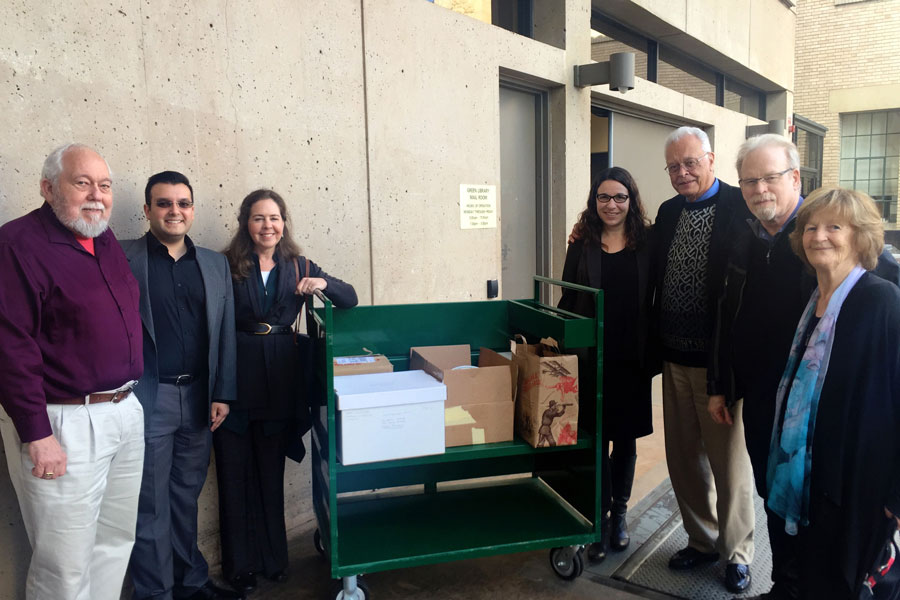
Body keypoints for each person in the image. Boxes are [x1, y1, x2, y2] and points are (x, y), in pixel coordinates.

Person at [706, 135, 900, 600]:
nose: (759, 189)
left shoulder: (876, 292)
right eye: (749, 180)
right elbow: (723, 315)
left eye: (770, 177)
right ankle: (786, 584)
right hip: (768, 406)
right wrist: (721, 383)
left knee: (828, 525)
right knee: (777, 499)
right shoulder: (744, 238)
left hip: (832, 428)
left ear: (794, 177)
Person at [0, 143, 144, 599]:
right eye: (82, 183)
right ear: (48, 187)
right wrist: (37, 433)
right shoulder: (17, 245)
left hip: (122, 409)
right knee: (63, 564)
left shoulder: (102, 238)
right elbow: (9, 345)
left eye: (104, 185)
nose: (96, 195)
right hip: (63, 422)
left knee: (114, 543)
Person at [214, 189, 358, 594]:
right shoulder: (224, 265)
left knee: (270, 475)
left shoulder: (299, 265)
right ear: (246, 223)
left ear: (284, 223)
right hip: (235, 380)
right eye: (259, 218)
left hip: (280, 381)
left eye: (274, 218)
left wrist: (322, 282)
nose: (267, 226)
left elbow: (349, 299)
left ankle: (273, 560)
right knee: (233, 476)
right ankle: (238, 568)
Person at [763, 187, 900, 599]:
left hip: (854, 485)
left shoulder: (881, 302)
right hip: (808, 481)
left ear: (860, 237)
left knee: (839, 582)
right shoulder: (815, 299)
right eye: (810, 227)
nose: (818, 236)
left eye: (834, 227)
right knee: (808, 574)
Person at [121, 171, 242, 600]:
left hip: (200, 400)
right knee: (149, 504)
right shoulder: (123, 257)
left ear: (192, 209)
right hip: (148, 398)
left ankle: (190, 584)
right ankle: (155, 593)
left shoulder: (213, 263)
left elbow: (225, 331)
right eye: (165, 203)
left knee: (186, 498)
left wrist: (223, 392)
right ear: (149, 209)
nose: (175, 211)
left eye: (183, 203)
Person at [654, 126, 755, 593]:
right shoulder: (668, 212)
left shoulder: (740, 207)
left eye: (691, 162)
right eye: (674, 166)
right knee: (683, 459)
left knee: (729, 463)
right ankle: (700, 539)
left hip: (720, 364)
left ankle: (736, 553)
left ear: (711, 160)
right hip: (674, 357)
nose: (682, 172)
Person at [559, 167, 656, 563]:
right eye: (604, 197)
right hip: (592, 356)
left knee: (626, 439)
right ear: (593, 201)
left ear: (631, 201)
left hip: (632, 355)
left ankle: (620, 515)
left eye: (619, 197)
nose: (611, 205)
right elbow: (567, 299)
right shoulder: (582, 244)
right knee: (597, 439)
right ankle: (598, 520)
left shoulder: (647, 242)